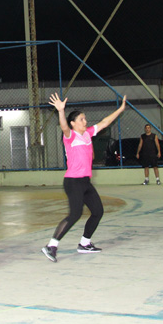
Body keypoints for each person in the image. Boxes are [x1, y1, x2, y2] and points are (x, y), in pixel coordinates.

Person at [41, 93, 128, 262]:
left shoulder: (88, 133)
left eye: (85, 118)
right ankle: (51, 246)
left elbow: (104, 122)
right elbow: (64, 127)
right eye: (81, 119)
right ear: (73, 123)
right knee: (75, 214)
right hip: (73, 181)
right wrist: (60, 111)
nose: (85, 121)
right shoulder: (70, 136)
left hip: (85, 181)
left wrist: (120, 109)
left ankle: (85, 243)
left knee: (98, 211)